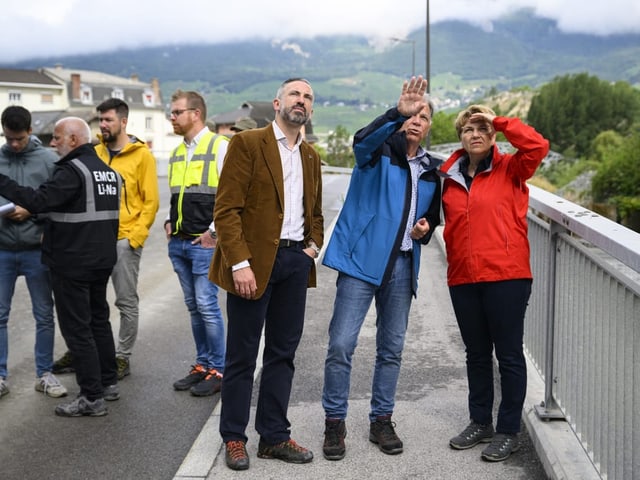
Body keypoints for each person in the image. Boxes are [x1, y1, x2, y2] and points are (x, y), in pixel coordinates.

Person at [320, 76, 442, 460]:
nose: (416, 120)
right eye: (412, 113)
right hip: (360, 263)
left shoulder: (431, 171)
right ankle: (334, 422)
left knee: (392, 349)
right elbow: (360, 142)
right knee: (341, 345)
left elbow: (431, 219)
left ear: (429, 126)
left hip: (403, 266)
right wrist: (395, 113)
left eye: (424, 116)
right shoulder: (377, 152)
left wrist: (425, 230)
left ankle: (381, 420)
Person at [210, 78, 323, 471]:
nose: (301, 101)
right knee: (241, 356)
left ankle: (273, 437)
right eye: (295, 94)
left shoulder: (311, 156)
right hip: (253, 265)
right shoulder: (247, 144)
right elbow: (226, 211)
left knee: (282, 355)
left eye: (308, 97)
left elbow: (317, 214)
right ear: (277, 103)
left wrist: (312, 248)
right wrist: (239, 263)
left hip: (295, 263)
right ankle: (234, 438)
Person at [441, 105, 549, 462]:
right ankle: (480, 422)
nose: (475, 134)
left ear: (493, 137)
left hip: (506, 276)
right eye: (469, 129)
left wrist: (500, 121)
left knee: (509, 355)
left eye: (483, 129)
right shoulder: (451, 177)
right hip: (463, 277)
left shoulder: (512, 169)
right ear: (460, 136)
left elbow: (537, 147)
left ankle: (508, 431)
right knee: (476, 354)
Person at [0, 116, 122, 417]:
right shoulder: (107, 172)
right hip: (101, 260)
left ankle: (91, 398)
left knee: (77, 329)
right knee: (98, 321)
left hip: (73, 262)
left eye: (57, 138)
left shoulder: (70, 171)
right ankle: (107, 383)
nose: (52, 143)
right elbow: (77, 210)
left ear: (73, 139)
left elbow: (37, 200)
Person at [51, 99, 160, 380]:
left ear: (123, 121)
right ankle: (82, 353)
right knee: (87, 304)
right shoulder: (95, 152)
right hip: (94, 241)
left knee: (125, 302)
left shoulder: (141, 155)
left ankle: (121, 357)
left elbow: (151, 202)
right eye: (101, 120)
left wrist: (134, 239)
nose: (103, 125)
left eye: (109, 120)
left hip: (124, 240)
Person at [0, 106, 67, 400]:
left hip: (37, 251)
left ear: (30, 131)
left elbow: (61, 201)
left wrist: (33, 211)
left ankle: (45, 373)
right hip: (2, 250)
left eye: (19, 139)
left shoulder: (49, 160)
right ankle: (0, 376)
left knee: (44, 314)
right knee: (0, 315)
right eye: (8, 138)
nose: (14, 144)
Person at [165, 90, 228, 397]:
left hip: (204, 244)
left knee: (207, 306)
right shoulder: (178, 151)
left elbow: (234, 195)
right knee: (194, 308)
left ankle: (219, 369)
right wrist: (169, 221)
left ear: (195, 114)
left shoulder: (220, 146)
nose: (171, 117)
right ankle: (202, 365)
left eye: (176, 112)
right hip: (179, 242)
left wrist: (214, 232)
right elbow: (179, 195)